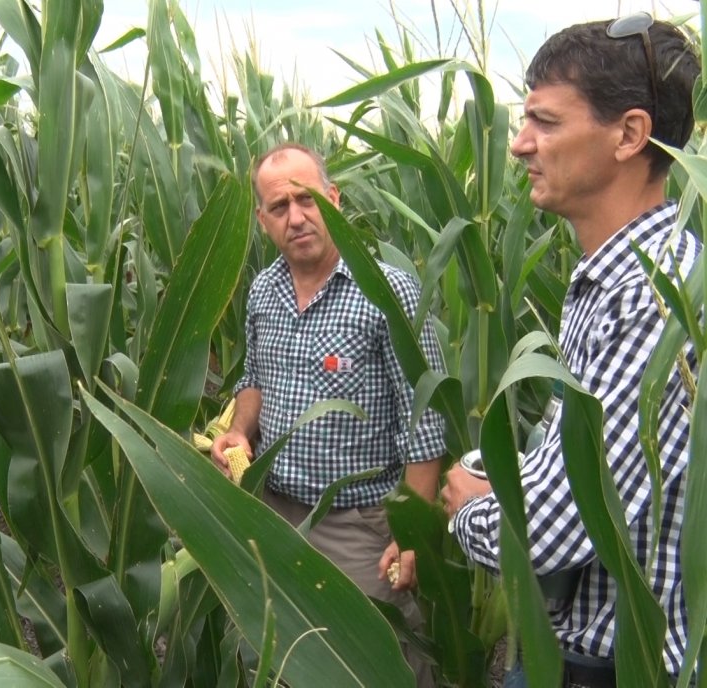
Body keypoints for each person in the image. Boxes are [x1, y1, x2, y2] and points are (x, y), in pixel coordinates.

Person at [442, 15, 701, 687]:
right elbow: (575, 459)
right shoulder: (606, 280)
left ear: (630, 134)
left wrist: (468, 506)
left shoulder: (652, 297)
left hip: (622, 668)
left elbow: (560, 528)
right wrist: (498, 472)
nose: (521, 144)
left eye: (547, 123)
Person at [211, 142, 446, 686]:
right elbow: (254, 382)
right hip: (272, 514)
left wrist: (412, 531)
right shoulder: (264, 291)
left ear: (333, 199)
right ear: (262, 221)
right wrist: (240, 432)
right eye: (279, 207)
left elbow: (425, 422)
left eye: (307, 199)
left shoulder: (387, 291)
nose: (296, 217)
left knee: (378, 665)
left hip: (357, 528)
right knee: (287, 658)